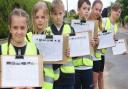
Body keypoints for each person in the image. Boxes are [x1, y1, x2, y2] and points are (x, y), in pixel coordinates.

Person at [0, 8, 39, 89]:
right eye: (15, 27)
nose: (19, 32)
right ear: (10, 28)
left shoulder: (34, 48)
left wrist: (34, 88)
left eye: (22, 28)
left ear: (27, 28)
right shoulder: (2, 49)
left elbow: (41, 75)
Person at [27, 1, 60, 89]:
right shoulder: (27, 37)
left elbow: (56, 63)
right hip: (31, 82)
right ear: (33, 18)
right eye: (37, 17)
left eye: (42, 17)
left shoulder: (53, 38)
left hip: (48, 83)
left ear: (47, 18)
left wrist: (63, 54)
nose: (40, 20)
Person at [46, 0, 75, 89]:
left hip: (69, 74)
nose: (58, 17)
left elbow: (76, 52)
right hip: (54, 75)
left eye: (60, 13)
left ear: (64, 13)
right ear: (51, 14)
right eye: (55, 14)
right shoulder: (47, 31)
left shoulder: (70, 29)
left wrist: (72, 52)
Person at [72, 0, 94, 89]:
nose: (87, 11)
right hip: (75, 67)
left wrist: (95, 43)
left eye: (88, 9)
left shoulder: (93, 26)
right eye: (84, 8)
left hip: (88, 67)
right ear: (78, 9)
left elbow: (96, 46)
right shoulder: (71, 26)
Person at [88, 1, 104, 89]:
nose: (98, 12)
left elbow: (104, 42)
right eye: (96, 9)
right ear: (92, 8)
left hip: (96, 58)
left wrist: (99, 42)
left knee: (94, 83)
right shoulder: (85, 21)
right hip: (86, 58)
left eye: (100, 10)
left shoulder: (100, 24)